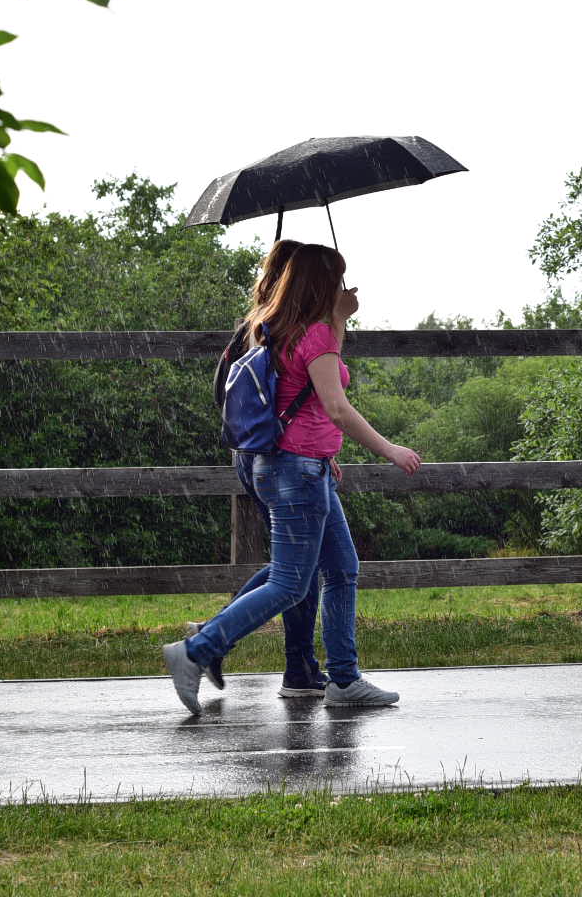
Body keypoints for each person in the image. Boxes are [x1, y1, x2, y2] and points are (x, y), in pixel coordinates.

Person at [164, 243, 421, 713]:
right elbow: (336, 406)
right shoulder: (316, 333)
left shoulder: (278, 328)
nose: (344, 287)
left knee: (341, 569)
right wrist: (389, 449)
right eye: (338, 279)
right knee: (289, 583)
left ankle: (343, 680)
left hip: (302, 467)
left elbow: (301, 393)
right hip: (297, 472)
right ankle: (196, 651)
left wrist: (337, 322)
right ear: (322, 283)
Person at [194, 239, 330, 697]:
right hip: (280, 455)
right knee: (293, 572)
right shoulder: (279, 327)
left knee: (296, 568)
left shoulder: (253, 324)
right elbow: (310, 393)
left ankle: (299, 666)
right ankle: (214, 639)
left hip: (254, 453)